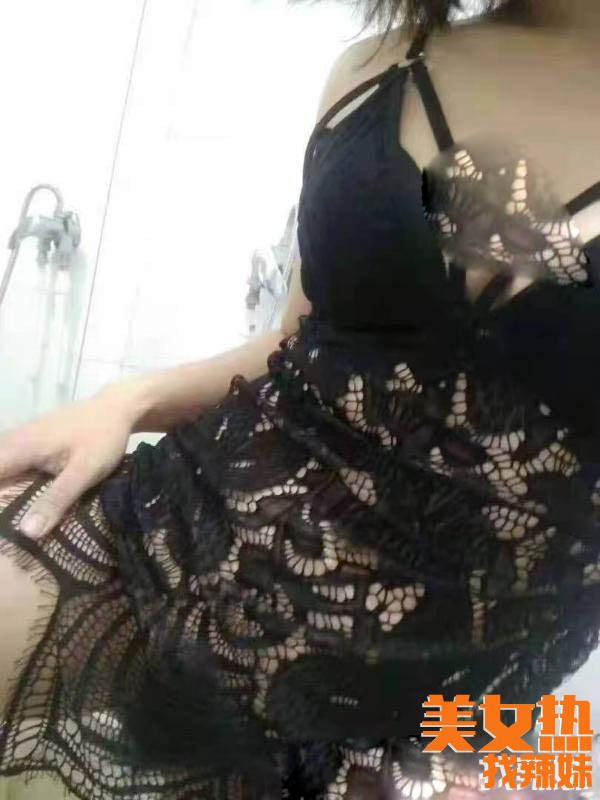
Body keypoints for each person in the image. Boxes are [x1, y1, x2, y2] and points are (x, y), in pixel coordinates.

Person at [1, 0, 600, 798]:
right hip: (174, 554)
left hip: (444, 718)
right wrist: (127, 400)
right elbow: (303, 340)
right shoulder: (380, 65)